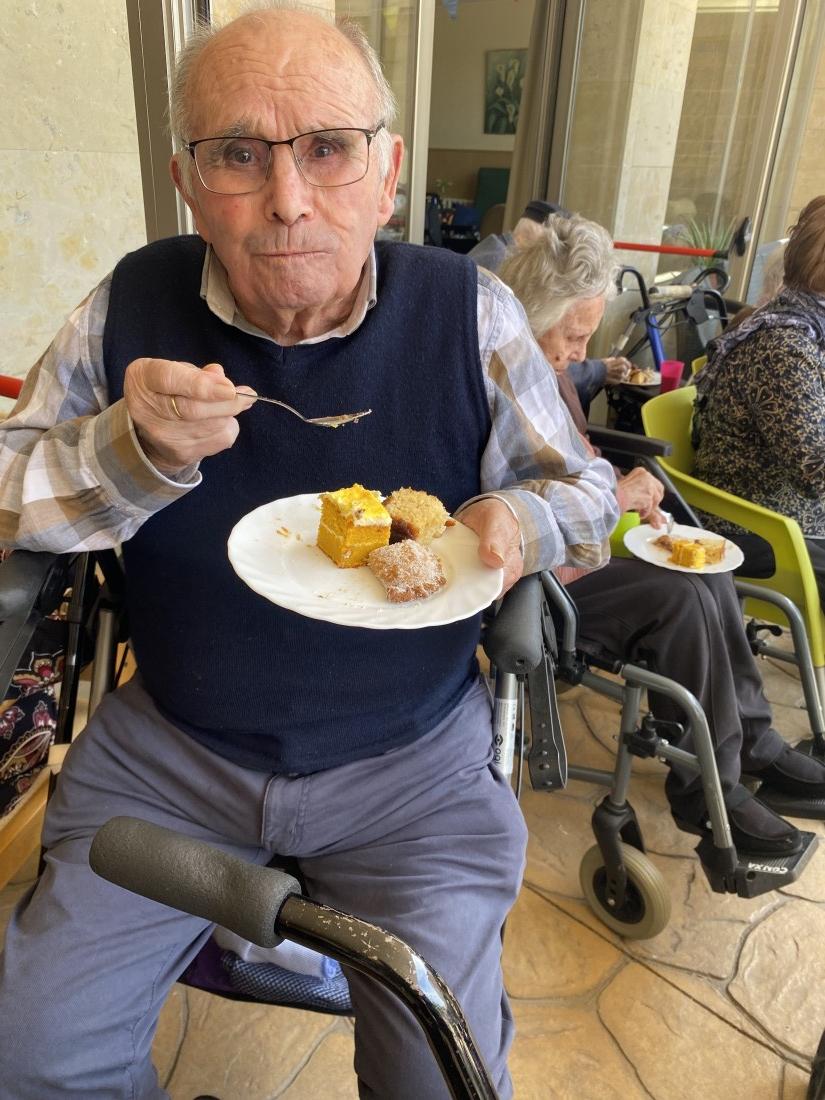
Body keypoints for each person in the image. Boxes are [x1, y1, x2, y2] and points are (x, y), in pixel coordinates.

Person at [0, 6, 619, 1099]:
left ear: (387, 177)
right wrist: (128, 453)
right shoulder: (128, 306)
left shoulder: (467, 313)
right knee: (32, 1060)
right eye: (239, 155)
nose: (287, 199)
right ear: (189, 184)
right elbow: (7, 489)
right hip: (171, 749)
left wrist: (521, 522)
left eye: (328, 149)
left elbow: (588, 490)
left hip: (413, 767)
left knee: (439, 1081)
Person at [497, 213, 825, 854]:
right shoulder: (501, 373)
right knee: (681, 596)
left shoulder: (544, 361)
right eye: (575, 335)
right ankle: (706, 793)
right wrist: (615, 494)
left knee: (705, 569)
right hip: (541, 575)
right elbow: (511, 495)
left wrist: (616, 480)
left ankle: (752, 741)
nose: (581, 352)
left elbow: (570, 455)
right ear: (534, 315)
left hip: (583, 543)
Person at [692, 196, 825, 606]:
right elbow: (814, 475)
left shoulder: (806, 329)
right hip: (754, 526)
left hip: (786, 520)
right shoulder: (786, 347)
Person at [470, 198, 632, 413]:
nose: (581, 355)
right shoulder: (495, 289)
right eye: (574, 337)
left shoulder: (488, 255)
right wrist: (599, 370)